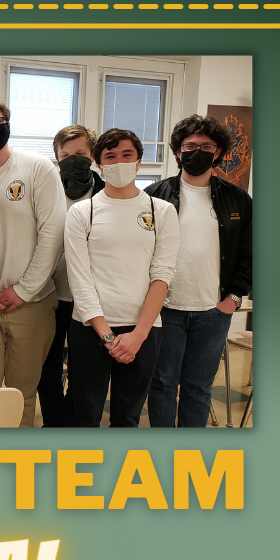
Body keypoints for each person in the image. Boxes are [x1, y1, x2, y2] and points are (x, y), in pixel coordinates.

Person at [64, 129, 180, 427]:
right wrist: (107, 336)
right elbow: (80, 279)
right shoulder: (82, 212)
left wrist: (139, 335)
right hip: (91, 327)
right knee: (85, 416)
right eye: (110, 157)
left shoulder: (162, 211)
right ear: (99, 165)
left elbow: (162, 275)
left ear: (139, 161)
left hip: (143, 330)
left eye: (126, 155)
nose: (119, 162)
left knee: (128, 417)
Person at [0, 96, 66, 427]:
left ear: (8, 124)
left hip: (31, 302)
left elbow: (52, 233)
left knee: (22, 392)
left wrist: (23, 290)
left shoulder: (37, 168)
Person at [145, 115, 253, 427]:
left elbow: (250, 254)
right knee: (163, 385)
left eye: (207, 146)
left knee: (198, 388)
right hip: (165, 310)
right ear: (177, 151)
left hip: (213, 311)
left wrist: (233, 298)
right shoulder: (153, 195)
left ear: (219, 152)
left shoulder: (237, 199)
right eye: (190, 145)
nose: (197, 151)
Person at [38, 124, 106, 427]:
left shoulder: (107, 193)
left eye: (80, 153)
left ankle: (73, 426)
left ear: (92, 155)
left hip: (89, 302)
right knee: (46, 370)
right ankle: (54, 425)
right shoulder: (46, 190)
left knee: (83, 372)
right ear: (56, 158)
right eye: (65, 155)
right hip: (48, 297)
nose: (72, 160)